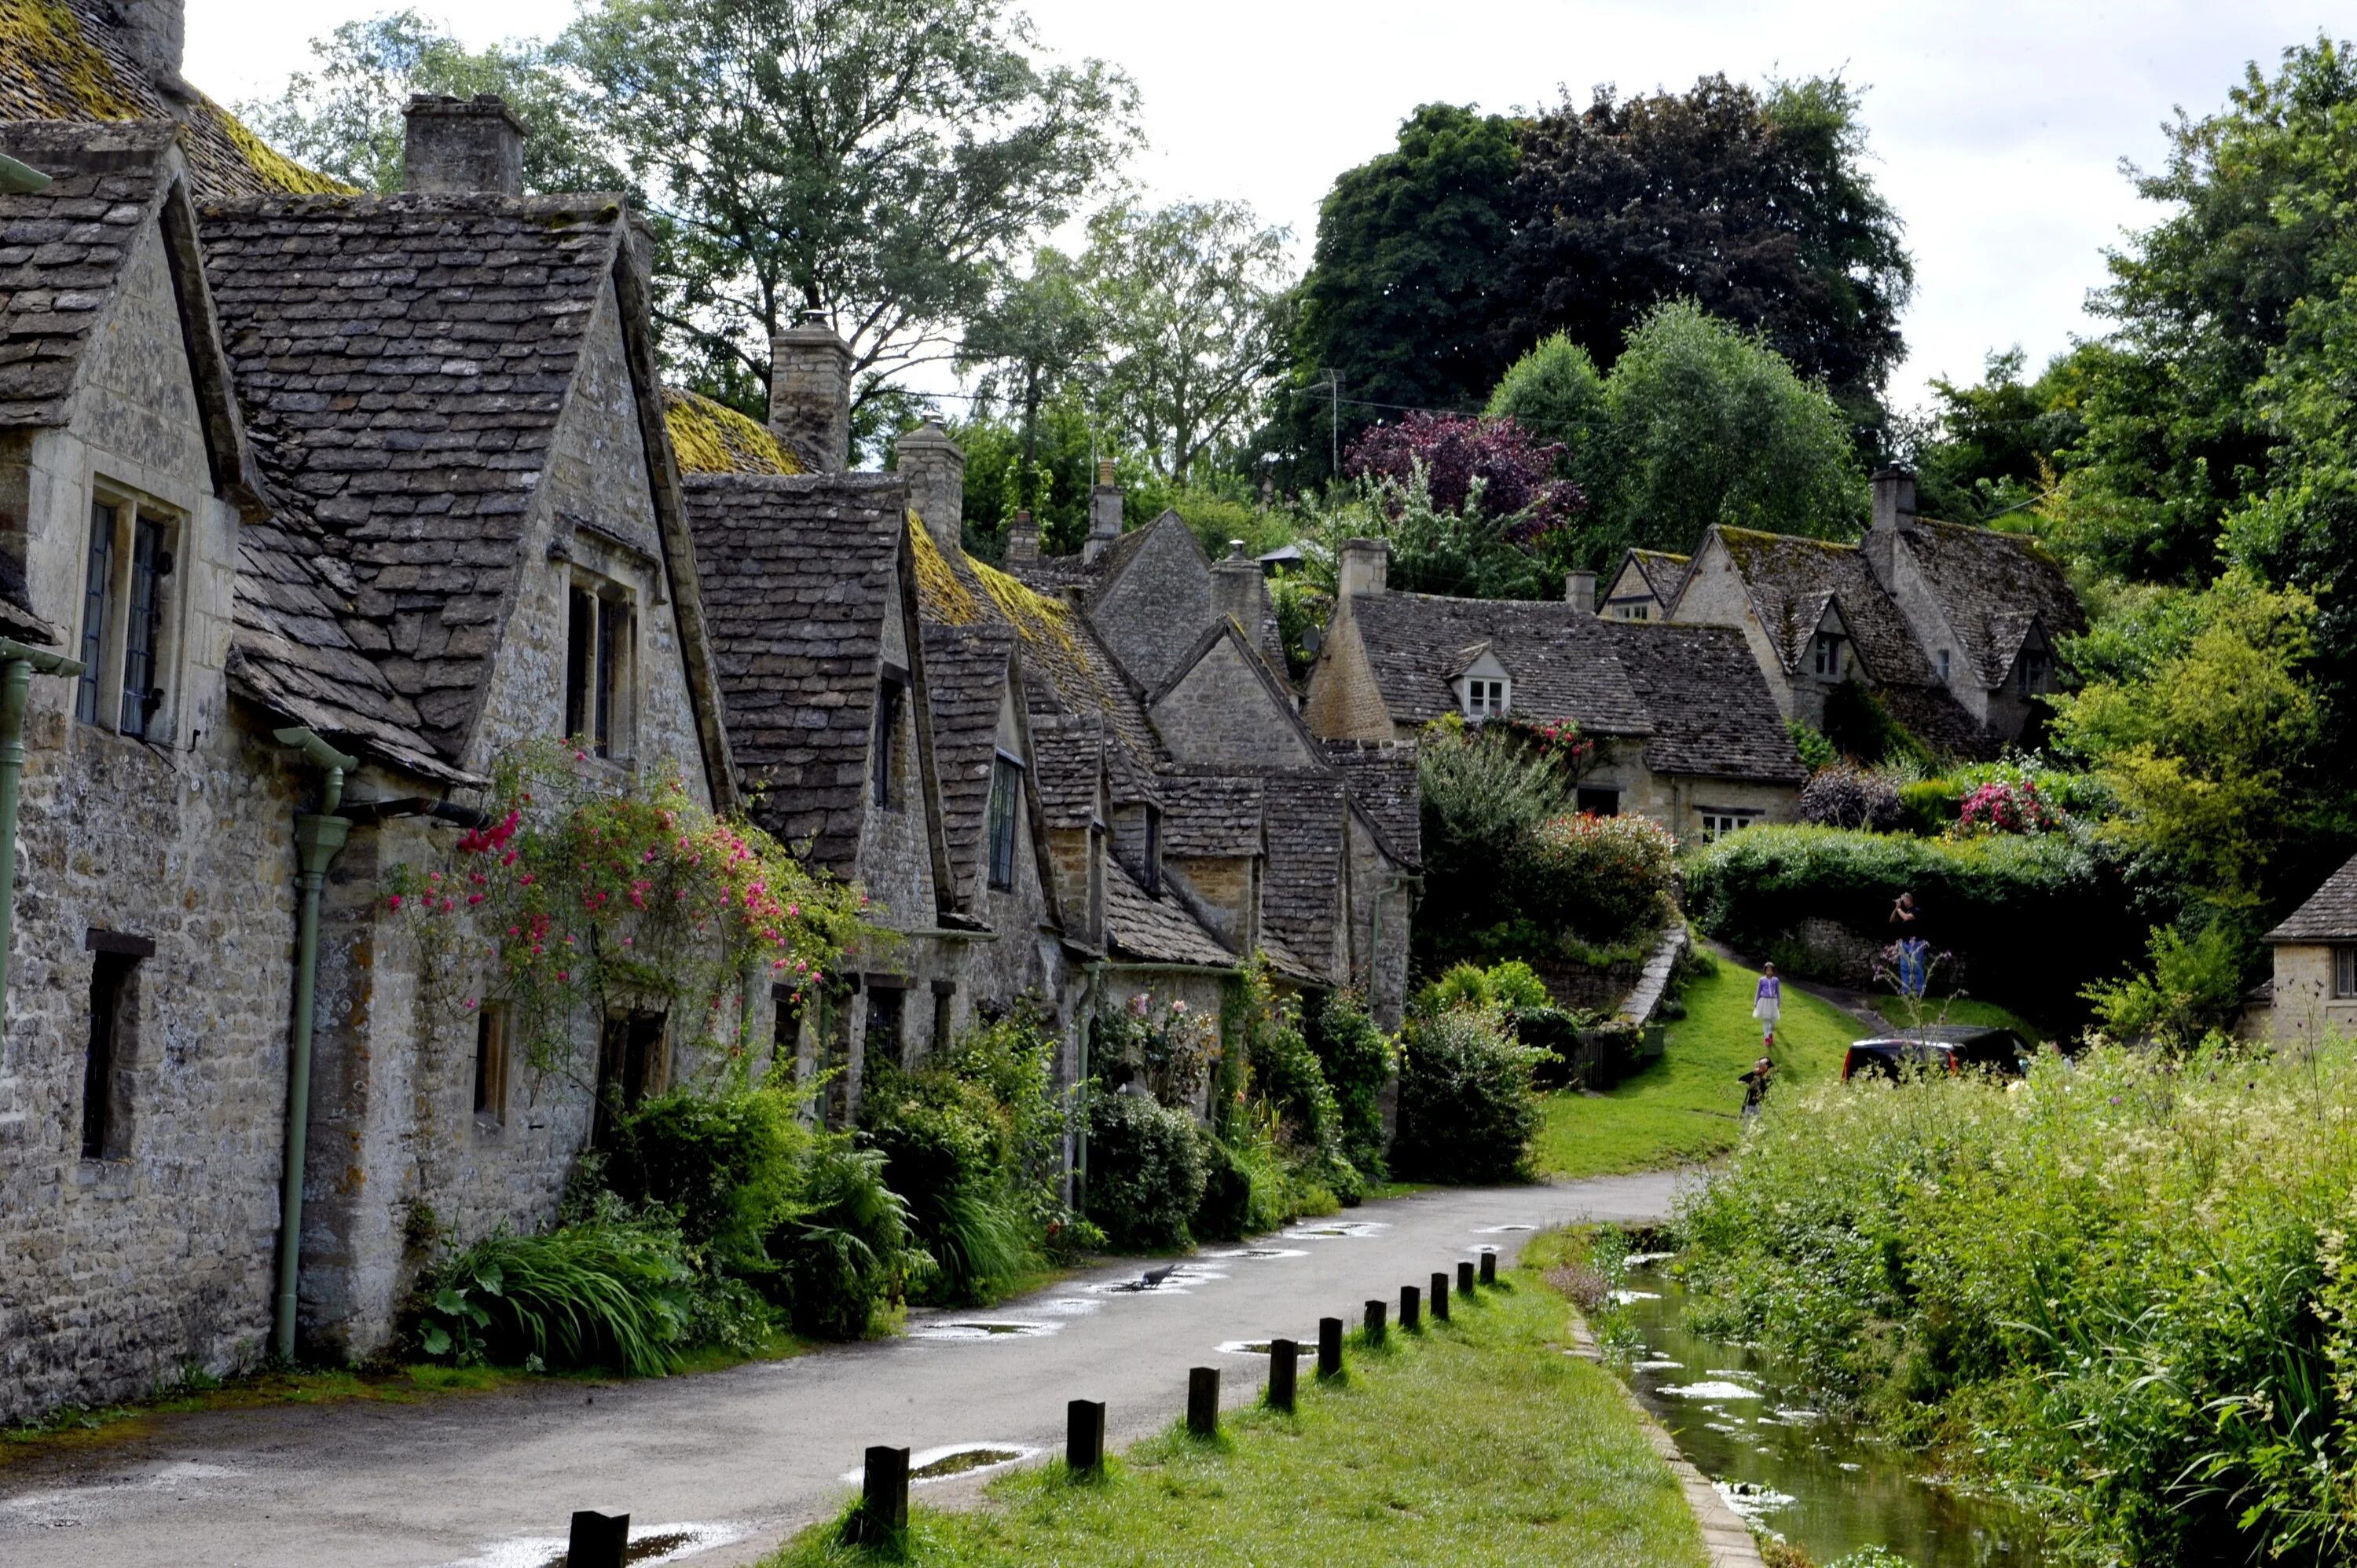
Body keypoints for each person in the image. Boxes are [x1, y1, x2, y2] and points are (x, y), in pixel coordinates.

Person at [1752, 962, 1783, 1048]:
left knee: (1772, 1022)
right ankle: (1766, 1038)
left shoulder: (1776, 980)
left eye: (1771, 970)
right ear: (1765, 971)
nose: (1769, 972)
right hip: (1764, 1002)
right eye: (1767, 970)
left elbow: (1778, 992)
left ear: (1773, 971)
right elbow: (1758, 992)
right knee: (1766, 1020)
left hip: (1773, 1002)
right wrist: (1756, 1002)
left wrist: (1778, 1002)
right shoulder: (1762, 980)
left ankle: (1770, 1033)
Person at [1739, 1057, 1774, 1122]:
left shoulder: (1767, 1079)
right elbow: (1740, 1079)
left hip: (1760, 1107)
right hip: (1751, 1106)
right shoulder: (1754, 1076)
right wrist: (1754, 1073)